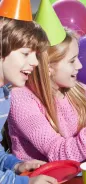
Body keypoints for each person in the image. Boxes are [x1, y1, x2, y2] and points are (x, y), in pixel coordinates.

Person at [8, 29, 86, 162]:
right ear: (48, 67)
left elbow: (84, 157)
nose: (79, 66)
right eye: (72, 61)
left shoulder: (82, 93)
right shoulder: (21, 99)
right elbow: (57, 154)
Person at [0, 17, 57, 184]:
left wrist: (17, 166)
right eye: (25, 53)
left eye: (35, 55)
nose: (34, 62)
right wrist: (25, 182)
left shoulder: (4, 96)